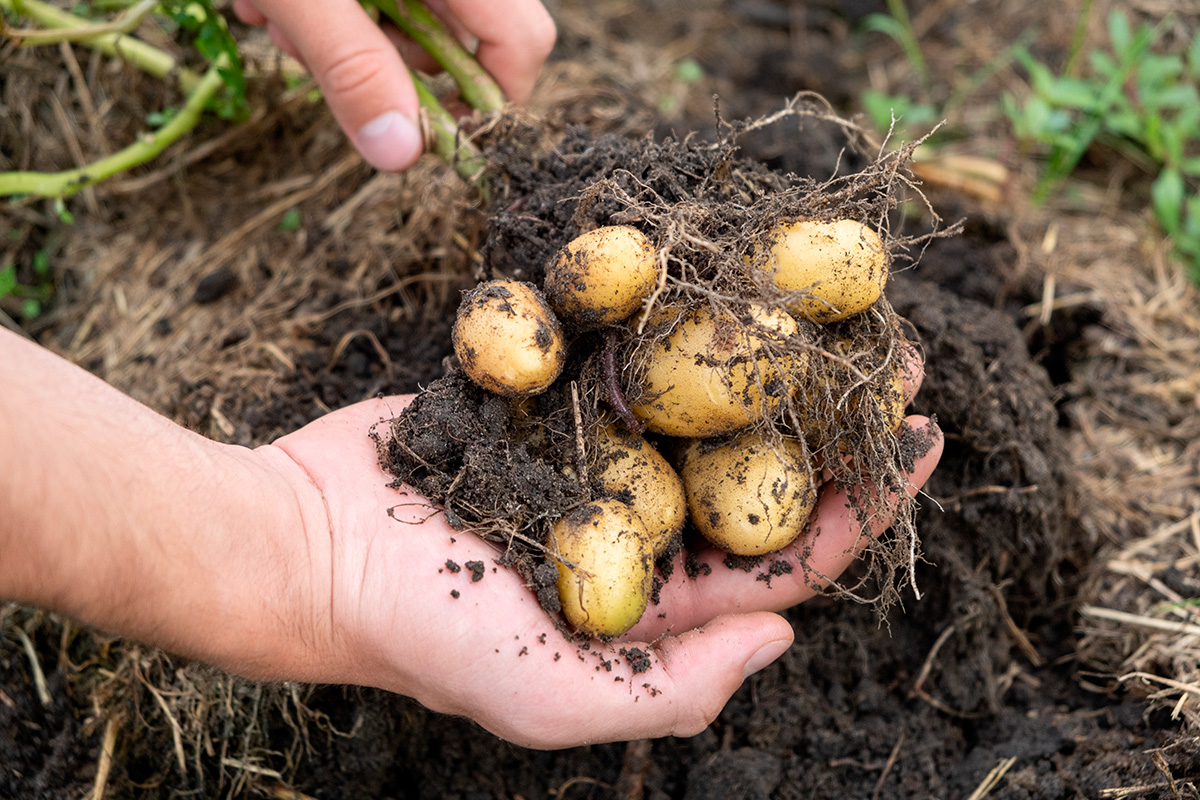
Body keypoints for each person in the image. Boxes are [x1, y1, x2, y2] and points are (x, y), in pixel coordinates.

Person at [0, 0, 944, 750]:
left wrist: (305, 553)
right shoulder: (546, 329)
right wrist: (307, 555)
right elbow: (551, 337)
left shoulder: (663, 328)